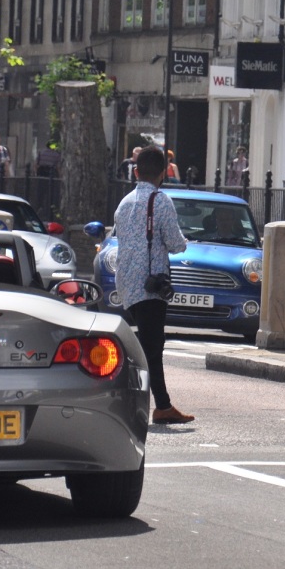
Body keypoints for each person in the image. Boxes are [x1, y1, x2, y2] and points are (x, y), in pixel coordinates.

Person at [114, 145, 194, 425]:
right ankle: (155, 406)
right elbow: (174, 243)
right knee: (151, 349)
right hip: (151, 285)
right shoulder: (161, 201)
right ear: (163, 174)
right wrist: (184, 243)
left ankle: (160, 404)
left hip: (126, 284)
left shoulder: (124, 202)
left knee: (147, 347)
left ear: (136, 171)